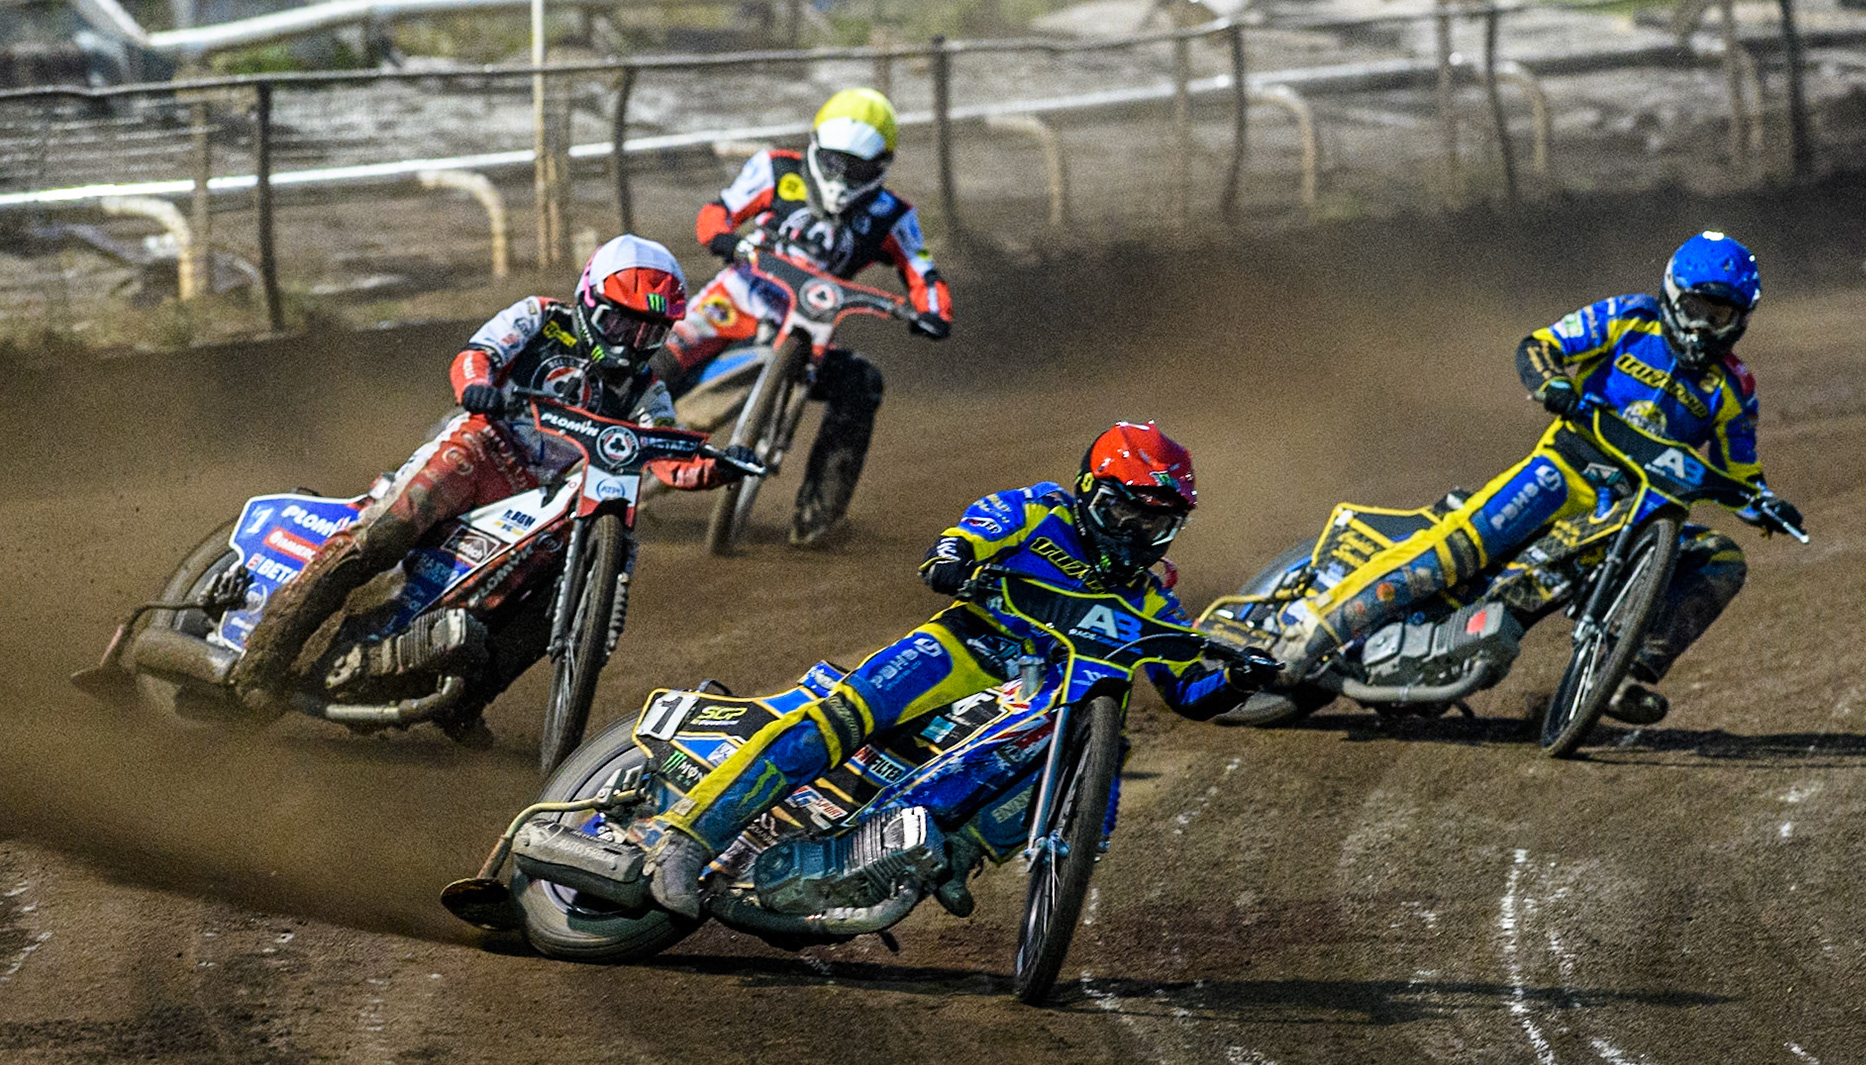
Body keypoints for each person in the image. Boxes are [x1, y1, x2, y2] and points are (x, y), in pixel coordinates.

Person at [628, 422, 1279, 918]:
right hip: (970, 646)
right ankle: (685, 842)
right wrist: (954, 556)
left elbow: (1188, 686)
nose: (1132, 538)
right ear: (1088, 494)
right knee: (842, 716)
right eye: (1121, 515)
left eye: (1154, 527)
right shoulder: (1040, 509)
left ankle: (947, 851)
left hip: (1043, 697)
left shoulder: (1153, 599)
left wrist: (1239, 678)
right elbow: (972, 531)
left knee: (1092, 753)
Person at [1268, 230, 1802, 726]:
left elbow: (1739, 473)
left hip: (1635, 516)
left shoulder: (1735, 387)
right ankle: (1318, 626)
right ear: (1671, 294)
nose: (1706, 327)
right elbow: (1541, 346)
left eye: (1723, 315)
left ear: (1742, 319)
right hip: (1564, 472)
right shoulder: (1629, 318)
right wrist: (1551, 384)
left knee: (1721, 558)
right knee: (1457, 550)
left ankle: (1624, 672)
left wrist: (1767, 504)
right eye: (1697, 309)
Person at [228, 235, 747, 741]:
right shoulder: (542, 317)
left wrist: (716, 468)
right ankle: (267, 653)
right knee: (383, 535)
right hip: (482, 450)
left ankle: (466, 699)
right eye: (619, 322)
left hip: (547, 498)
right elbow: (479, 353)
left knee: (550, 607)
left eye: (648, 333)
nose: (628, 342)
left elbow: (663, 456)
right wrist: (476, 385)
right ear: (589, 299)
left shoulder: (646, 391)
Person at [650, 87, 956, 546]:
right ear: (815, 146)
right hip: (736, 301)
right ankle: (587, 447)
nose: (841, 177)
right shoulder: (776, 169)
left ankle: (817, 517)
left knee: (861, 383)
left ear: (880, 168)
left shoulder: (892, 214)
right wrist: (724, 239)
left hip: (809, 328)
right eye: (834, 162)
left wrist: (933, 312)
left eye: (855, 169)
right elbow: (719, 211)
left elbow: (922, 269)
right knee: (659, 361)